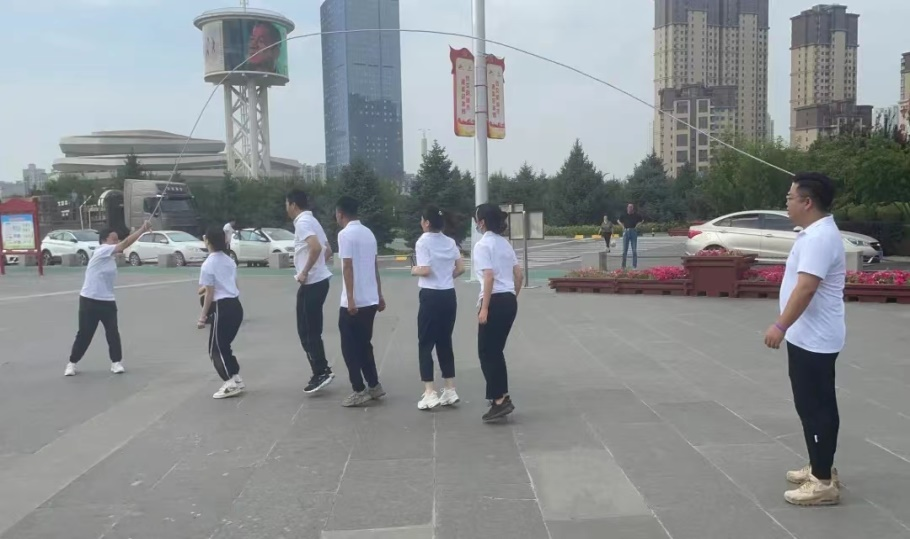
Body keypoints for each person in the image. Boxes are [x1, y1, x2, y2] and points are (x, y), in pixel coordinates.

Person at [763, 172, 845, 506]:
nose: (787, 202)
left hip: (815, 338)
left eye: (790, 197)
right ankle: (819, 465)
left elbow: (807, 288)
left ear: (807, 202)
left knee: (815, 407)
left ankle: (823, 482)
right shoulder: (815, 233)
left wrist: (780, 326)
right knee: (812, 404)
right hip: (810, 335)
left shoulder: (819, 238)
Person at [65, 221, 151, 377]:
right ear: (104, 240)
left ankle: (116, 362)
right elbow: (125, 244)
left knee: (112, 332)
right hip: (89, 299)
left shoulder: (109, 257)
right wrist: (142, 229)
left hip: (108, 301)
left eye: (117, 239)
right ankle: (72, 363)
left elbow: (123, 245)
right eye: (114, 239)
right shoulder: (102, 251)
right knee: (85, 334)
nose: (117, 242)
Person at [411, 206, 465, 410]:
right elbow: (461, 268)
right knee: (444, 341)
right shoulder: (450, 241)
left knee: (425, 343)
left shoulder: (423, 241)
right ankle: (450, 389)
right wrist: (446, 277)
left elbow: (425, 270)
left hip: (431, 295)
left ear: (426, 223)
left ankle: (429, 392)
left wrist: (413, 270)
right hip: (448, 295)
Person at [473, 203, 522, 422]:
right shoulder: (505, 243)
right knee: (496, 351)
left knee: (487, 352)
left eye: (477, 219)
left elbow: (488, 276)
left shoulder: (482, 245)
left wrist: (485, 308)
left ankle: (500, 400)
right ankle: (500, 396)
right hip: (509, 299)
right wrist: (512, 296)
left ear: (482, 222)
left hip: (494, 300)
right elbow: (519, 274)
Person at [335, 196, 386, 407]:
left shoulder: (345, 235)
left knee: (349, 348)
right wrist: (379, 295)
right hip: (370, 299)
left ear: (340, 213)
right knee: (364, 344)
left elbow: (347, 266)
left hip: (354, 303)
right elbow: (374, 266)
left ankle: (358, 389)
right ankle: (374, 385)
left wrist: (350, 299)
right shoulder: (368, 233)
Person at [286, 189, 335, 394]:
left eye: (286, 204)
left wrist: (306, 271)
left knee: (308, 331)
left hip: (312, 283)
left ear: (293, 205)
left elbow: (316, 248)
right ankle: (321, 369)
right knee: (308, 329)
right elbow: (328, 249)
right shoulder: (312, 220)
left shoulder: (302, 222)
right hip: (318, 281)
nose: (286, 209)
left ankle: (321, 371)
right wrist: (318, 267)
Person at [197, 225, 245, 399]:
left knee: (215, 349)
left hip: (222, 307)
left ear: (207, 241)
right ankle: (236, 377)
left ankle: (229, 382)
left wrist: (203, 317)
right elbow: (232, 284)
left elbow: (209, 294)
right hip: (235, 305)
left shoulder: (208, 264)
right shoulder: (229, 260)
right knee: (224, 345)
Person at [619, 203, 643, 269]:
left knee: (634, 250)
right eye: (629, 207)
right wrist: (622, 227)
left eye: (631, 207)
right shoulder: (624, 215)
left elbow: (641, 220)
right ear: (627, 208)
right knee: (624, 251)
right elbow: (619, 220)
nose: (630, 208)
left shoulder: (636, 215)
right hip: (626, 231)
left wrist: (637, 226)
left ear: (633, 208)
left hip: (633, 231)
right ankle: (623, 266)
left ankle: (634, 266)